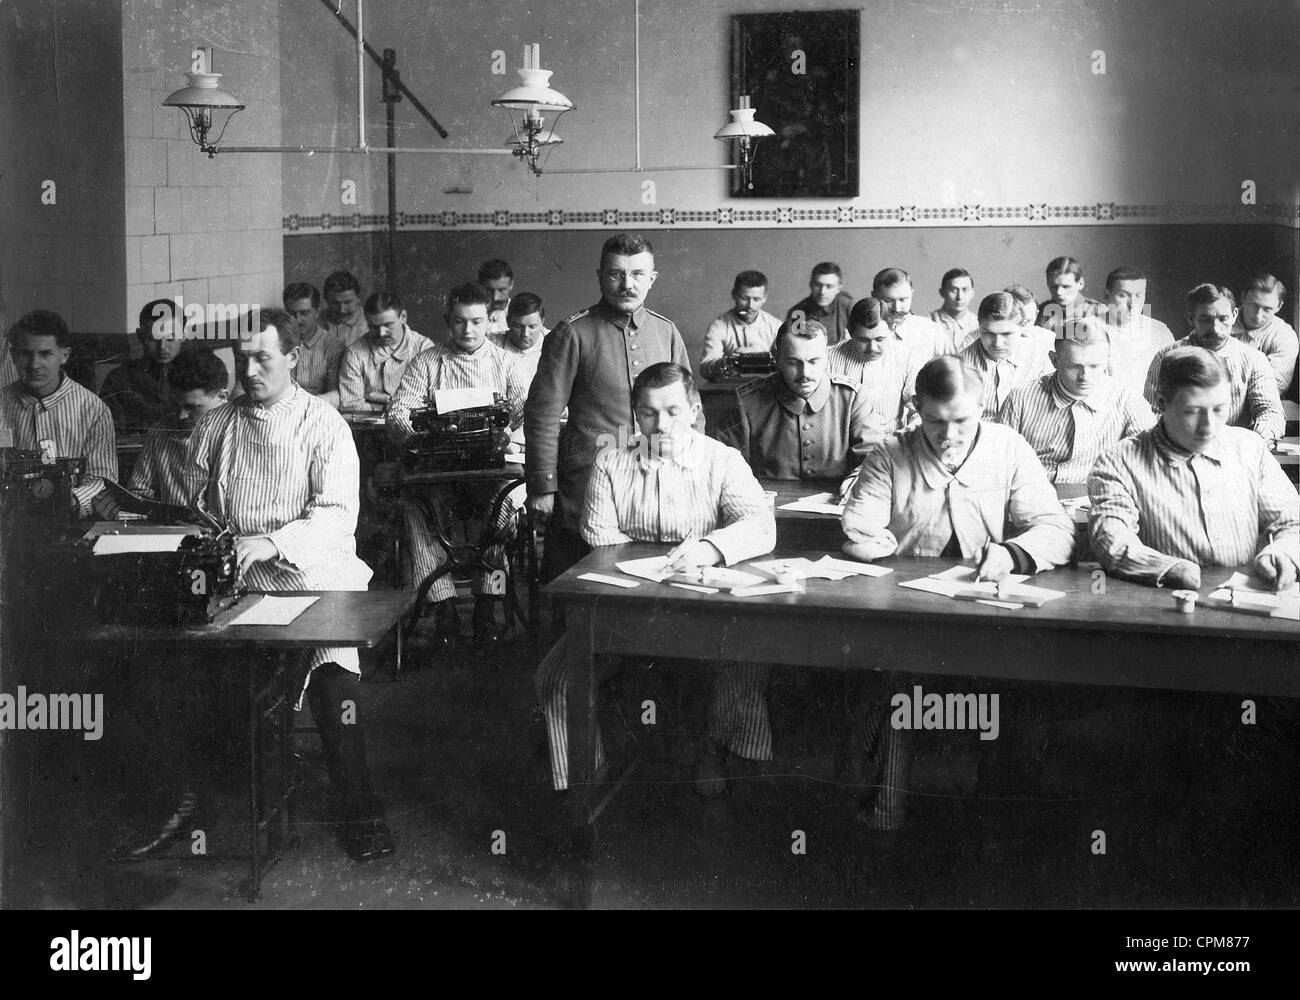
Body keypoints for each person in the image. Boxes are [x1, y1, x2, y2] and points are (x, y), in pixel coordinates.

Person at [184, 308, 392, 862]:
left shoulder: (323, 424)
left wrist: (274, 543)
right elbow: (196, 505)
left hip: (311, 570)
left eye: (263, 358)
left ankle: (360, 810)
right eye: (242, 359)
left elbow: (336, 515)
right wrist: (224, 543)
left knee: (330, 676)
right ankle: (247, 798)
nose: (250, 370)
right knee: (208, 668)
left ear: (294, 359)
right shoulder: (216, 424)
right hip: (240, 574)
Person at [840, 355, 1075, 830]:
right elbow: (857, 523)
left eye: (963, 421)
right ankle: (888, 805)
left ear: (983, 406)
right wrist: (868, 541)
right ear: (915, 408)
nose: (949, 436)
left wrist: (1012, 553)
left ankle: (995, 816)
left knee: (1014, 694)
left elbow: (1057, 529)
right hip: (907, 610)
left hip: (989, 608)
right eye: (935, 421)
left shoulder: (1009, 448)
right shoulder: (890, 452)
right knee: (899, 687)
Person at [534, 363, 777, 796]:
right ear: (634, 414)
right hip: (627, 609)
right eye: (648, 413)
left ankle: (721, 756)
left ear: (695, 409)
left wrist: (710, 548)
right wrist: (664, 561)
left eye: (673, 411)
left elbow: (760, 525)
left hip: (706, 606)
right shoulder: (611, 463)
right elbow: (600, 538)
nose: (661, 425)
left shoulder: (722, 460)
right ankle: (584, 786)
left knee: (746, 660)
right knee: (556, 677)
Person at [524, 233, 695, 583]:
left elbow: (693, 412)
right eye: (616, 274)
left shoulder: (667, 332)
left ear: (652, 278)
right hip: (585, 482)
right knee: (575, 582)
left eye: (637, 274)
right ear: (600, 275)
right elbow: (542, 414)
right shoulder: (573, 333)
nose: (627, 284)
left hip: (657, 479)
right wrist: (543, 487)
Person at [387, 282, 530, 645]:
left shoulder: (508, 363)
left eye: (477, 322)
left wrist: (507, 433)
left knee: (504, 507)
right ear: (447, 321)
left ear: (490, 320)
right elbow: (397, 413)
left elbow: (528, 411)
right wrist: (427, 441)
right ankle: (443, 604)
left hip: (492, 468)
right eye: (459, 322)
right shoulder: (427, 362)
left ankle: (487, 601)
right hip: (441, 471)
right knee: (413, 508)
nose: (468, 331)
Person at [1090, 345, 1298, 590]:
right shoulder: (1118, 461)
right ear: (1161, 402)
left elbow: (1292, 522)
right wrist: (1167, 568)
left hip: (1246, 598)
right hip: (1164, 600)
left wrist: (1283, 553)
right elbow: (1111, 540)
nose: (1208, 426)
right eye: (1192, 411)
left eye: (1219, 409)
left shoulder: (1250, 447)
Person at [717, 318, 880, 498]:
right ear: (777, 358)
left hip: (836, 510)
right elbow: (726, 467)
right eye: (793, 362)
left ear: (826, 357)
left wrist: (861, 477)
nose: (805, 374)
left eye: (814, 361)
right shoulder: (746, 402)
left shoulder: (853, 398)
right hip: (767, 511)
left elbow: (871, 457)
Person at [997, 318, 1155, 484]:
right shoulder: (1020, 399)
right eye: (1074, 366)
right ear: (1054, 360)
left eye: (1094, 366)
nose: (1084, 377)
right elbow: (998, 464)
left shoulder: (1127, 399)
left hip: (1099, 498)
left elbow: (1149, 462)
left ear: (1107, 359)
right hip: (1032, 496)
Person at [1, 309, 116, 516]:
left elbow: (101, 479)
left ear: (64, 355)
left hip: (71, 520)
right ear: (14, 356)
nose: (35, 364)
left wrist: (67, 501)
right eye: (26, 354)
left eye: (45, 354)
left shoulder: (93, 410)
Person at [93, 348, 230, 516]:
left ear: (223, 397)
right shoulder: (160, 432)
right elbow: (139, 495)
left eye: (192, 407)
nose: (181, 416)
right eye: (176, 404)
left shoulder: (241, 437)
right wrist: (117, 509)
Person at [1143, 283, 1284, 443]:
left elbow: (1271, 412)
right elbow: (1150, 413)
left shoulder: (1254, 359)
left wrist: (1259, 436)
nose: (1216, 329)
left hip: (1234, 451)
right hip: (1179, 449)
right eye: (1205, 319)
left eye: (1223, 319)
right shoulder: (1166, 357)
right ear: (1190, 318)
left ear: (1235, 315)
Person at [828, 296, 922, 432]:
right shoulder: (829, 357)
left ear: (893, 329)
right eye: (863, 340)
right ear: (850, 331)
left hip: (890, 442)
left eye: (879, 339)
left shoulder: (907, 358)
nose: (872, 348)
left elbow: (917, 410)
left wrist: (905, 435)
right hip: (843, 440)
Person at [959, 291, 1054, 418]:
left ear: (1023, 326)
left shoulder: (1041, 357)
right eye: (988, 333)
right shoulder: (959, 365)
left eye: (1006, 334)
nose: (997, 343)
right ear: (979, 325)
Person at [99, 298, 189, 433]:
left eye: (171, 338)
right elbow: (106, 430)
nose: (163, 347)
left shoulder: (195, 375)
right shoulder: (119, 378)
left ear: (184, 335)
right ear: (140, 336)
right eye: (153, 339)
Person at [338, 291, 433, 415]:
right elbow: (351, 403)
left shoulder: (424, 348)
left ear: (403, 317)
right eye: (373, 326)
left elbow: (431, 400)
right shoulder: (354, 352)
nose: (382, 333)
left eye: (388, 325)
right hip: (368, 426)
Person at [1098, 266, 1175, 397]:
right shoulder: (1088, 329)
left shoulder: (1160, 332)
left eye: (1139, 295)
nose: (1132, 304)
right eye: (1123, 295)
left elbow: (1173, 382)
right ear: (1107, 294)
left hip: (1149, 412)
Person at [700, 270, 782, 380]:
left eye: (756, 299)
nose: (750, 306)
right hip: (731, 388)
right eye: (744, 298)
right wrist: (728, 361)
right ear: (734, 294)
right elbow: (705, 367)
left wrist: (756, 357)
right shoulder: (718, 326)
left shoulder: (775, 326)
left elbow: (786, 363)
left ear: (765, 298)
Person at [1232, 273, 1297, 395]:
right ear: (1243, 297)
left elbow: (1272, 388)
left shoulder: (1285, 336)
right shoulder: (1219, 321)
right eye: (1254, 305)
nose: (1258, 315)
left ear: (1279, 306)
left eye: (1267, 309)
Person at [284, 281, 346, 408]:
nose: (297, 320)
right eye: (292, 313)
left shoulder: (333, 346)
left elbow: (336, 395)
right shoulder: (275, 341)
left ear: (317, 311)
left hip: (317, 412)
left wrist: (301, 406)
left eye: (304, 313)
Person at [872, 267, 946, 362]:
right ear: (874, 296)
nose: (897, 308)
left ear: (911, 294)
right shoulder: (859, 333)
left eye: (903, 300)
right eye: (888, 301)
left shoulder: (932, 331)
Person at [488, 291, 550, 387]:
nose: (525, 334)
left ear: (542, 322)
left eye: (532, 326)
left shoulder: (556, 343)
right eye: (518, 326)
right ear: (508, 322)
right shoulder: (492, 345)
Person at [786, 262, 854, 344]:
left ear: (838, 288)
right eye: (818, 285)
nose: (822, 292)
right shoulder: (798, 312)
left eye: (829, 286)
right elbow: (793, 346)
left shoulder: (847, 305)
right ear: (811, 285)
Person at [1036, 256, 1103, 337]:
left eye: (1066, 286)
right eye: (1054, 286)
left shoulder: (1099, 312)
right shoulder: (1039, 313)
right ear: (1048, 284)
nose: (1059, 292)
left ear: (1080, 284)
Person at [929, 268, 979, 353]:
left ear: (972, 293)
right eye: (953, 290)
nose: (960, 297)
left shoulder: (979, 325)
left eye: (965, 289)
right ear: (942, 292)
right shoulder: (929, 323)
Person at [319, 270, 369, 345]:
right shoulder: (315, 322)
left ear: (358, 298)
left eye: (348, 302)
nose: (342, 310)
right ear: (326, 300)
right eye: (335, 303)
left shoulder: (372, 321)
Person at [478, 259, 515, 336]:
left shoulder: (522, 314)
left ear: (511, 284)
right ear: (480, 286)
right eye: (489, 290)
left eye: (502, 290)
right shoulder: (471, 314)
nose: (495, 298)